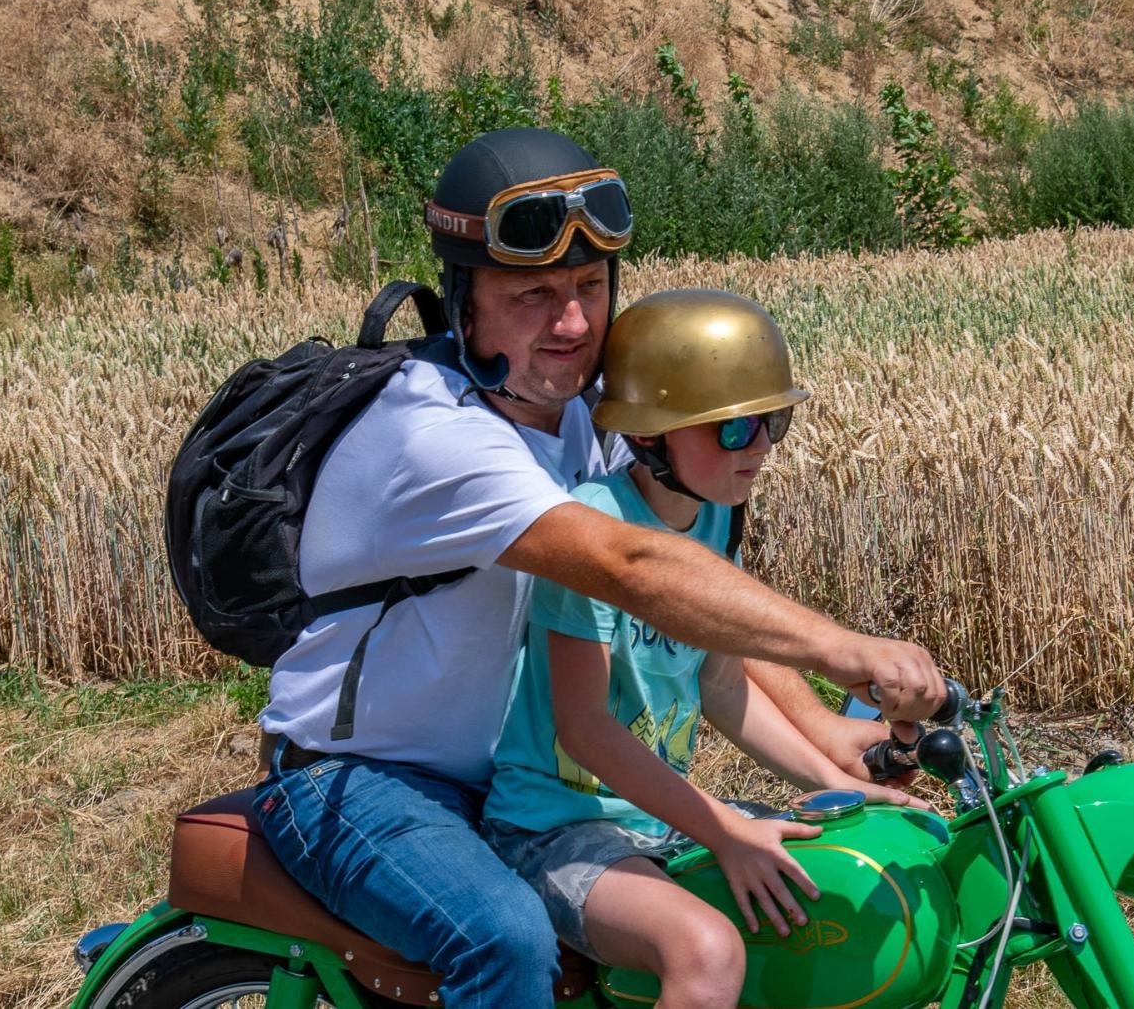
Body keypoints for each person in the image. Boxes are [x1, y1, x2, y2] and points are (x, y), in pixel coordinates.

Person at [251, 127, 947, 1009]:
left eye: (588, 287)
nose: (573, 323)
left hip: (511, 782)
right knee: (503, 938)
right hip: (356, 778)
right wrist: (845, 650)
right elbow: (632, 565)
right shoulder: (433, 435)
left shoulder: (582, 416)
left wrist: (824, 738)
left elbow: (696, 605)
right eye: (534, 293)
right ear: (465, 302)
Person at [485, 288, 928, 1009]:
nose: (757, 446)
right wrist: (723, 830)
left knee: (840, 878)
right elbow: (585, 730)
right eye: (731, 429)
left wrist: (843, 788)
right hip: (554, 830)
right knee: (708, 952)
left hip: (652, 821)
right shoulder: (596, 531)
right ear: (653, 434)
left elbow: (722, 685)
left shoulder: (714, 519)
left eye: (772, 422)